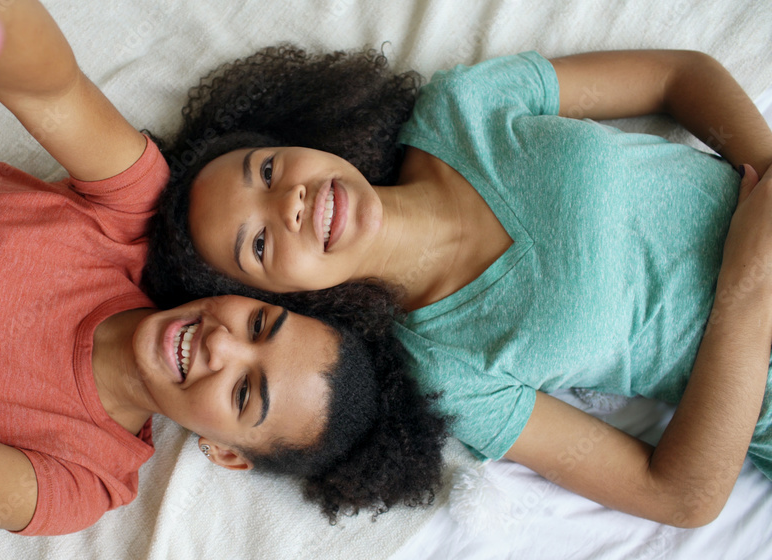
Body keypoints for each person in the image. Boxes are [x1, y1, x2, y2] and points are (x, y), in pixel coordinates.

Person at [0, 3, 447, 536]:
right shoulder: (133, 218)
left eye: (245, 392)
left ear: (228, 453)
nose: (221, 343)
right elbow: (48, 84)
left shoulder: (83, 479)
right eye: (260, 323)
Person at [143, 45, 772, 527]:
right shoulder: (448, 370)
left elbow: (681, 76)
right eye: (258, 244)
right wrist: (746, 292)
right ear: (286, 299)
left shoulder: (461, 107)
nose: (289, 204)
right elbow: (680, 497)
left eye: (268, 170)